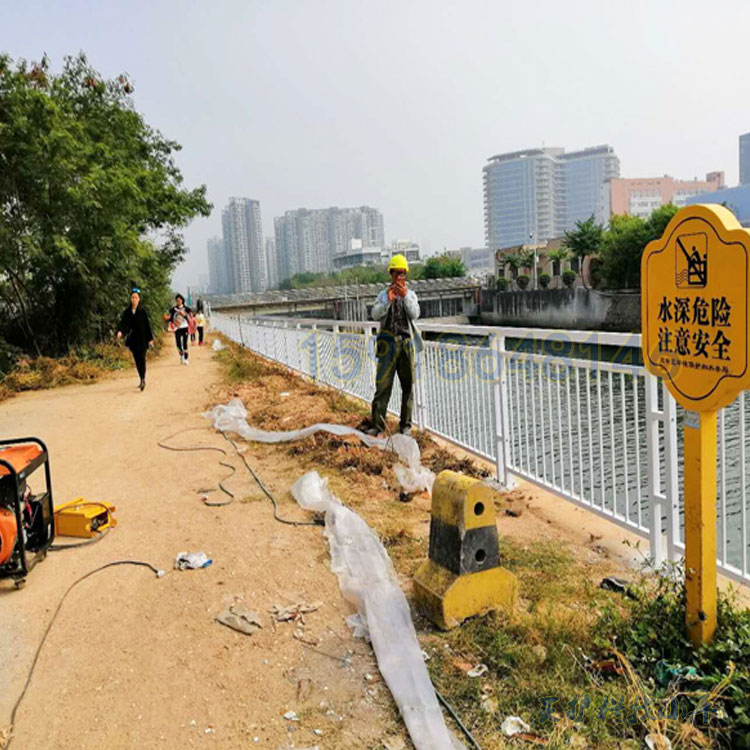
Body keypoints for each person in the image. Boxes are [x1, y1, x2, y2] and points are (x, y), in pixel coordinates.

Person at [368, 254, 422, 436]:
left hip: (406, 344)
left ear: (405, 275)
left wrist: (405, 296)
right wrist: (388, 301)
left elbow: (415, 314)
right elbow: (375, 314)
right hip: (387, 344)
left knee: (408, 386)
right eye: (396, 273)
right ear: (391, 274)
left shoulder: (411, 295)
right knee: (383, 385)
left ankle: (405, 425)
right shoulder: (383, 295)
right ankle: (377, 425)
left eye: (402, 273)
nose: (399, 277)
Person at [116, 288, 154, 391]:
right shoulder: (127, 312)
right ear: (130, 299)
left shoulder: (142, 312)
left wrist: (150, 339)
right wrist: (120, 331)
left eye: (136, 297)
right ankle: (141, 377)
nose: (134, 299)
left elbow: (147, 326)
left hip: (142, 339)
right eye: (132, 297)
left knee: (142, 359)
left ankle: (142, 379)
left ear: (139, 299)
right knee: (137, 360)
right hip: (133, 340)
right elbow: (123, 323)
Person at [168, 294, 192, 365]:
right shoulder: (173, 309)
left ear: (182, 300)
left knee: (185, 343)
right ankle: (181, 355)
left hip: (185, 327)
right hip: (177, 329)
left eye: (180, 300)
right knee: (178, 343)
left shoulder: (187, 309)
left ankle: (186, 358)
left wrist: (184, 314)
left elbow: (190, 318)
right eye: (177, 300)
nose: (178, 301)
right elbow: (170, 318)